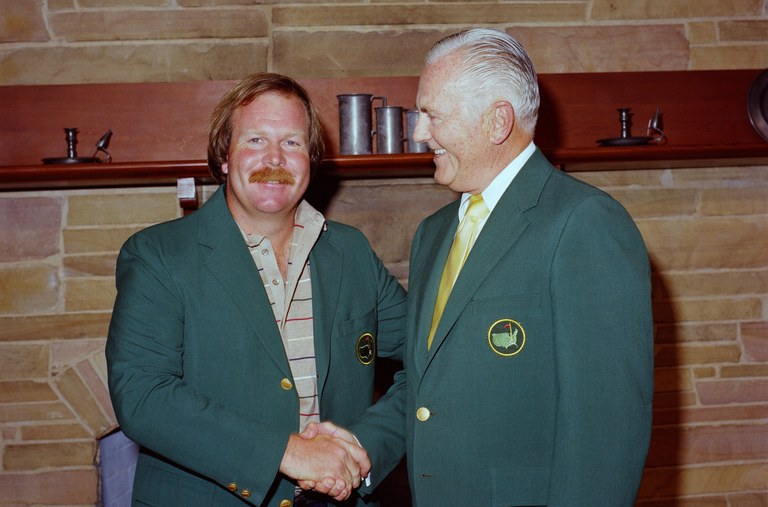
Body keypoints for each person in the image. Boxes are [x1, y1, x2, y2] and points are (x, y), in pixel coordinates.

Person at [326, 28, 654, 506]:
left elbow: (606, 429)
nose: (419, 134)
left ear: (497, 121)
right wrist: (358, 452)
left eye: (433, 116)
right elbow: (427, 386)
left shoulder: (584, 224)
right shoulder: (433, 233)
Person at [106, 73, 407, 507]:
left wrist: (363, 449)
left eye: (291, 142)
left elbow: (433, 358)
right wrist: (288, 453)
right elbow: (142, 395)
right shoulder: (157, 255)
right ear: (224, 157)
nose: (274, 159)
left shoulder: (351, 252)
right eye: (254, 141)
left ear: (311, 158)